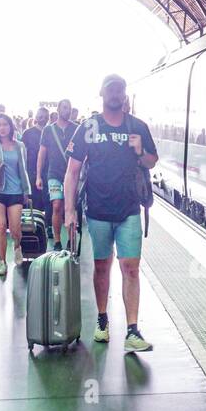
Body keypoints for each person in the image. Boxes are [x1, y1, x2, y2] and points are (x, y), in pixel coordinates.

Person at [64, 74, 157, 352]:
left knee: (131, 267)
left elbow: (152, 162)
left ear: (125, 95)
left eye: (120, 90)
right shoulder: (88, 127)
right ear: (102, 93)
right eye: (111, 89)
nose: (115, 94)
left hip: (129, 209)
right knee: (102, 265)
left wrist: (140, 151)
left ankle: (132, 329)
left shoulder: (137, 126)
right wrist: (70, 210)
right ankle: (102, 320)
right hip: (97, 210)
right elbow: (72, 171)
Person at [0, 112, 30, 275]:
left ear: (11, 126)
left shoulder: (20, 146)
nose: (2, 128)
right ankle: (2, 261)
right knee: (1, 226)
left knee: (16, 228)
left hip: (16, 191)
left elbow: (23, 170)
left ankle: (17, 246)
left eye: (5, 124)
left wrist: (27, 190)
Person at [39, 98, 77, 250]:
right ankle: (57, 241)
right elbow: (42, 153)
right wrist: (38, 176)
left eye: (69, 108)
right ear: (59, 110)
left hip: (71, 174)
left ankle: (70, 240)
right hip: (53, 174)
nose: (67, 111)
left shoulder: (76, 129)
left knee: (70, 206)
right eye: (64, 108)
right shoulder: (48, 130)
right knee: (56, 205)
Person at [23, 106, 50, 227]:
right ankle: (34, 225)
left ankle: (48, 225)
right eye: (40, 116)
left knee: (48, 200)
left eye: (45, 116)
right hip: (31, 171)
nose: (42, 118)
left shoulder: (50, 132)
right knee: (34, 200)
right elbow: (23, 153)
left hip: (48, 171)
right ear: (35, 117)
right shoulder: (27, 133)